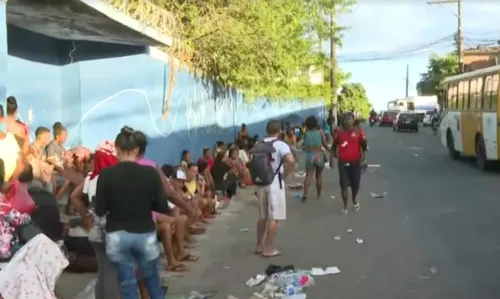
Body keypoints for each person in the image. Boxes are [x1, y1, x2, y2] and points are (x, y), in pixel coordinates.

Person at [94, 127, 167, 299]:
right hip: (145, 234)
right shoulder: (150, 173)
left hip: (117, 235)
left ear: (117, 150)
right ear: (136, 150)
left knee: (127, 284)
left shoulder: (106, 175)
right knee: (152, 280)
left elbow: (100, 210)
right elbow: (162, 206)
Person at [254, 120, 294, 257]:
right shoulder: (281, 145)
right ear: (279, 130)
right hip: (274, 183)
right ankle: (268, 248)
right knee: (274, 216)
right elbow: (291, 160)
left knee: (262, 215)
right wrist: (285, 174)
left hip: (260, 183)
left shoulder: (258, 144)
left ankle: (259, 245)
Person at [332, 113, 368, 215]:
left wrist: (364, 159)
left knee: (355, 184)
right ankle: (345, 206)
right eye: (345, 119)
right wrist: (333, 156)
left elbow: (364, 146)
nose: (347, 121)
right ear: (342, 121)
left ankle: (354, 198)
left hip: (355, 162)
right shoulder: (339, 133)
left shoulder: (357, 131)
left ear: (353, 120)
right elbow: (334, 146)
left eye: (349, 119)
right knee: (344, 185)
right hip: (342, 163)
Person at [302, 116, 329, 201]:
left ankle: (305, 194)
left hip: (310, 155)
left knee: (308, 175)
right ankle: (319, 194)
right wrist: (330, 151)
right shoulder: (320, 132)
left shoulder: (306, 134)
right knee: (319, 176)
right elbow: (324, 143)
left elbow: (304, 146)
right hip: (319, 155)